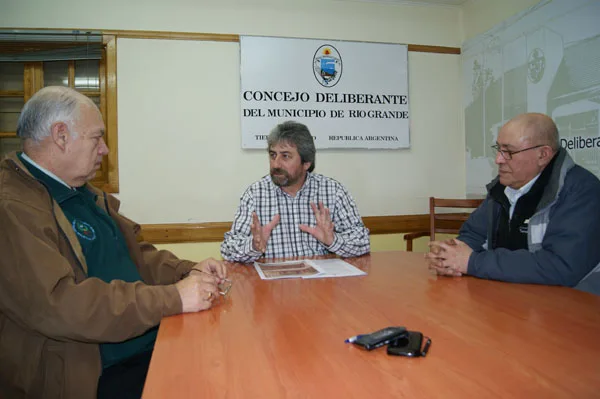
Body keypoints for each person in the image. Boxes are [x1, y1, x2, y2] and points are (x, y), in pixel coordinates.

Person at [0, 86, 228, 399]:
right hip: (93, 374)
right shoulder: (12, 206)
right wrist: (173, 298)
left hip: (145, 343)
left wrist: (187, 271)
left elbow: (136, 256)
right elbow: (60, 304)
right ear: (61, 135)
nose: (104, 149)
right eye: (97, 137)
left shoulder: (81, 192)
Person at [425, 113, 600, 295]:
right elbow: (473, 234)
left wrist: (471, 262)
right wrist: (449, 257)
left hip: (572, 308)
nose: (498, 159)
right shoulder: (502, 188)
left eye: (508, 152)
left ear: (543, 155)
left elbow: (562, 267)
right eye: (498, 149)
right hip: (512, 300)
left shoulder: (581, 191)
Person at [220, 121, 370, 263]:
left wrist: (333, 241)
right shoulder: (255, 194)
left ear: (306, 163)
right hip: (274, 287)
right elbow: (228, 249)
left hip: (320, 285)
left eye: (285, 156)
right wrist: (253, 246)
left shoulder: (332, 191)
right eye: (273, 155)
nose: (276, 164)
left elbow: (362, 242)